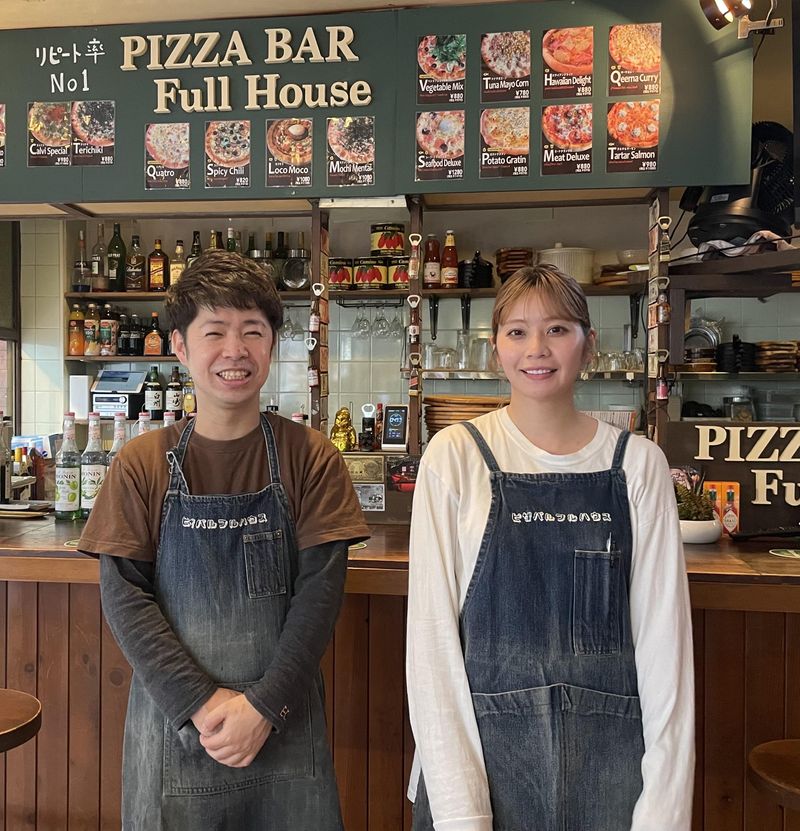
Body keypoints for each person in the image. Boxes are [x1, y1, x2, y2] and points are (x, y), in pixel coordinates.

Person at [79, 250, 369, 830]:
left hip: (283, 721)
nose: (235, 350)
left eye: (252, 331)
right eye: (214, 332)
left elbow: (319, 596)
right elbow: (125, 598)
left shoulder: (311, 457)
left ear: (273, 344)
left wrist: (264, 706)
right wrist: (201, 703)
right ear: (180, 346)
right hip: (178, 725)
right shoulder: (142, 463)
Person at [406, 265, 694, 830]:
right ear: (496, 349)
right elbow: (431, 647)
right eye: (517, 331)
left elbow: (666, 650)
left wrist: (663, 812)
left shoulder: (638, 465)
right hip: (482, 765)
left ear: (589, 344)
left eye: (557, 329)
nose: (536, 348)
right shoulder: (455, 456)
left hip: (613, 768)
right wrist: (463, 813)